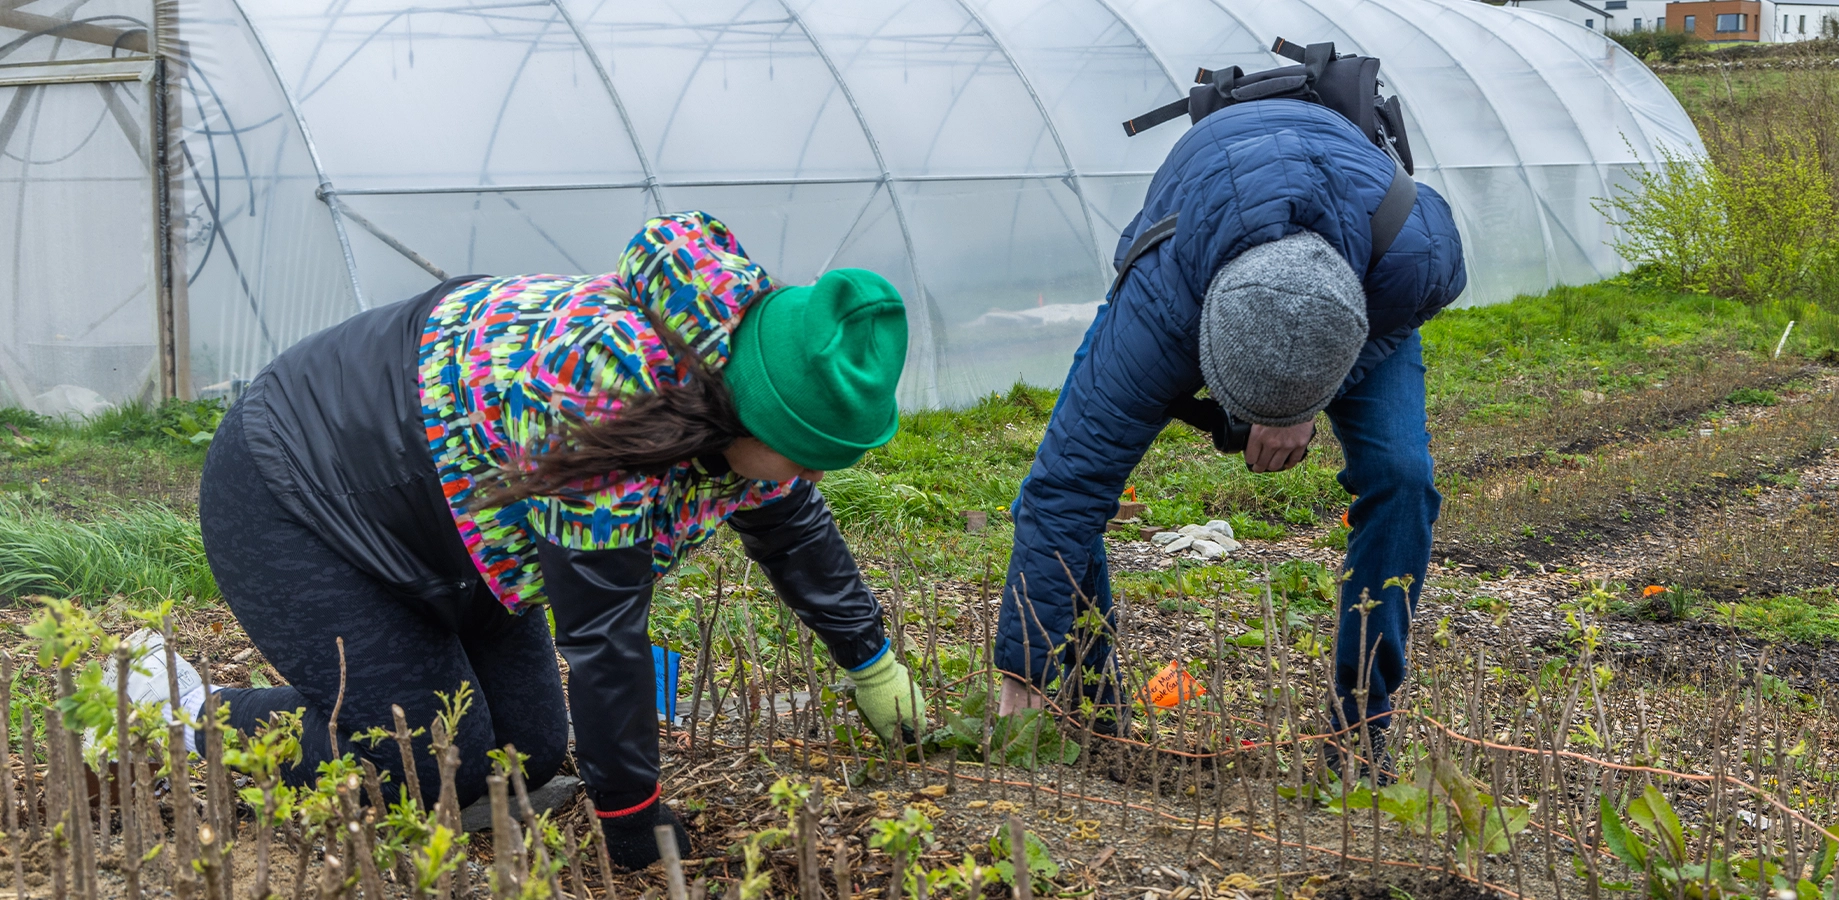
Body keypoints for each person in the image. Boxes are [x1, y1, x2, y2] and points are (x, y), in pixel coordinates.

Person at [113, 212, 928, 870]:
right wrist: (631, 817)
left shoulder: (739, 373)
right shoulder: (599, 398)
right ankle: (181, 713)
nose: (811, 478)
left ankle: (399, 667)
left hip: (458, 527)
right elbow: (604, 636)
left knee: (528, 755)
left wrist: (871, 662)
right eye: (806, 455)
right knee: (428, 762)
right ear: (749, 408)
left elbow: (790, 525)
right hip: (300, 493)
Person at [995, 100, 1467, 776]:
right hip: (1204, 230)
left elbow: (1409, 308)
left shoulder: (1413, 260)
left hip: (1361, 262)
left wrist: (1310, 400)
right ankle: (1089, 712)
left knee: (1401, 478)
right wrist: (1025, 670)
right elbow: (1062, 492)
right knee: (1077, 485)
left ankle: (1362, 726)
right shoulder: (1158, 313)